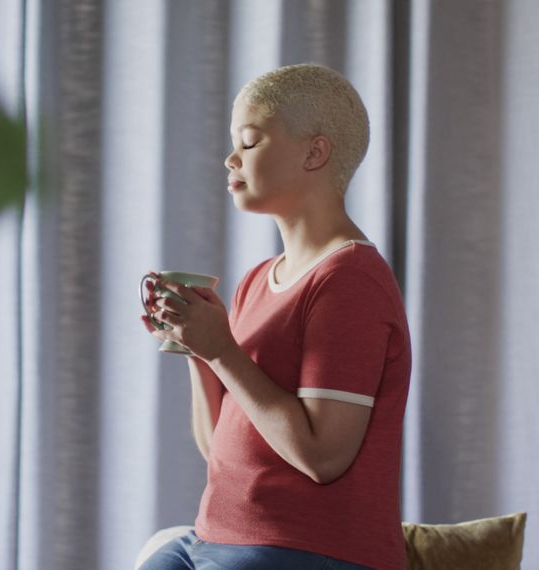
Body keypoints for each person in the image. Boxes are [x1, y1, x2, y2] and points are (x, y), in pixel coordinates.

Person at [138, 63, 411, 570]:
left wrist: (223, 350)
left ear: (314, 152)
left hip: (305, 550)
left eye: (249, 141)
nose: (230, 158)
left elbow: (321, 457)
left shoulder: (350, 280)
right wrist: (199, 350)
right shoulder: (258, 280)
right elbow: (220, 447)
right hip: (216, 538)